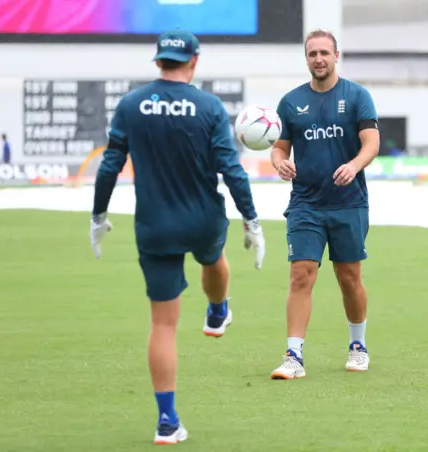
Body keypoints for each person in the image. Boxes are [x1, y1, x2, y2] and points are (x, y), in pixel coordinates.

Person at [88, 29, 265, 445]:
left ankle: (167, 421)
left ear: (158, 61)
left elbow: (110, 164)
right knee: (213, 257)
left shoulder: (131, 105)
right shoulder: (208, 106)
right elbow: (231, 169)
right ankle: (218, 311)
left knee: (163, 326)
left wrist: (98, 214)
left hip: (155, 224)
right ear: (194, 61)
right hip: (204, 218)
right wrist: (251, 219)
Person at [269, 29, 380, 379]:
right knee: (301, 273)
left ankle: (358, 345)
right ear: (306, 59)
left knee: (349, 278)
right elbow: (278, 147)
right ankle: (293, 356)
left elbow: (371, 143)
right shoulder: (290, 102)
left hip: (349, 203)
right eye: (312, 53)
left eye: (324, 53)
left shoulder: (357, 96)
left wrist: (354, 164)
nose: (318, 59)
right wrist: (278, 162)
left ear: (336, 56)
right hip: (305, 203)